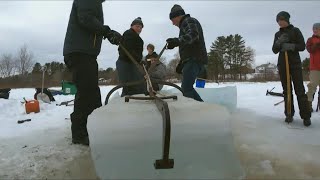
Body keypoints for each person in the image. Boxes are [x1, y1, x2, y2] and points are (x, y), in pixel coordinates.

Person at [63, 0, 122, 146]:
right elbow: (86, 18)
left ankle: (95, 127)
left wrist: (106, 32)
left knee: (93, 93)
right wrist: (107, 31)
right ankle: (79, 134)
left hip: (87, 54)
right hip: (79, 52)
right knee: (86, 92)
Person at [272, 11, 311, 126]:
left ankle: (306, 116)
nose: (280, 22)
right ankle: (289, 113)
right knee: (287, 90)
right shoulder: (277, 34)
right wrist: (279, 42)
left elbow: (302, 46)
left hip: (295, 63)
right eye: (278, 20)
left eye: (282, 20)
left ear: (287, 20)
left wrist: (291, 46)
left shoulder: (295, 31)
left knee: (299, 89)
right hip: (283, 64)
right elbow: (274, 50)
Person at [166, 4, 208, 102]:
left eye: (172, 20)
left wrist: (177, 41)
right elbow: (189, 47)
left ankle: (202, 110)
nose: (173, 24)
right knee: (186, 88)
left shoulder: (189, 21)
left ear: (177, 16)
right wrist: (182, 63)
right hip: (192, 60)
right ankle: (200, 109)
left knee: (186, 88)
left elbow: (193, 36)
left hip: (194, 60)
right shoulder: (185, 24)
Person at [117, 17, 145, 97]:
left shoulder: (138, 38)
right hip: (125, 63)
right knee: (129, 86)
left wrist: (140, 60)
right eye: (137, 26)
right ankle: (127, 104)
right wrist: (139, 59)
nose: (139, 28)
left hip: (133, 64)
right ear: (132, 26)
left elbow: (137, 53)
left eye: (140, 27)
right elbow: (128, 49)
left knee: (136, 86)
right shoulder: (129, 34)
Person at [306, 23, 320, 112]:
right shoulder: (310, 40)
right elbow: (309, 49)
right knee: (312, 86)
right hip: (315, 67)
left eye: (317, 28)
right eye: (314, 28)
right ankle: (308, 104)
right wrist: (317, 44)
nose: (315, 30)